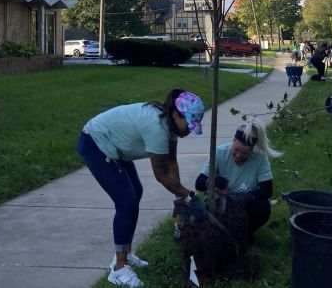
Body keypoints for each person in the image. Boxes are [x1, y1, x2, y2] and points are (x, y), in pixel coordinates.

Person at [76, 89, 206, 287]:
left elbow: (171, 161)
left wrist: (181, 197)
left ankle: (126, 253)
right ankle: (119, 268)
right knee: (126, 201)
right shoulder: (157, 127)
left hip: (116, 147)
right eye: (188, 123)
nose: (189, 130)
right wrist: (188, 195)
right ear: (175, 114)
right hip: (96, 142)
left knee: (136, 193)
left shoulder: (170, 126)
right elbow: (161, 175)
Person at [194, 118, 282, 240]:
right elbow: (199, 183)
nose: (239, 156)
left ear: (252, 150)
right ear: (233, 141)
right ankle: (223, 232)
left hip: (245, 205)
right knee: (207, 216)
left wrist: (249, 196)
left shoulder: (260, 159)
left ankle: (246, 234)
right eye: (235, 150)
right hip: (222, 202)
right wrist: (213, 182)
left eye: (244, 153)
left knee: (263, 207)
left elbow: (267, 190)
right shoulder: (219, 152)